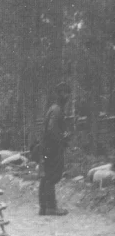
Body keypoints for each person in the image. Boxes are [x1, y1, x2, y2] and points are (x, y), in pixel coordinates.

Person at [39, 81, 71, 216]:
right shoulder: (57, 110)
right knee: (52, 176)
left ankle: (44, 207)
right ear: (62, 94)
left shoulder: (53, 108)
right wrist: (61, 139)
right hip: (53, 148)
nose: (68, 97)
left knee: (46, 176)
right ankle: (51, 207)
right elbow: (52, 129)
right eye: (67, 94)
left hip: (48, 147)